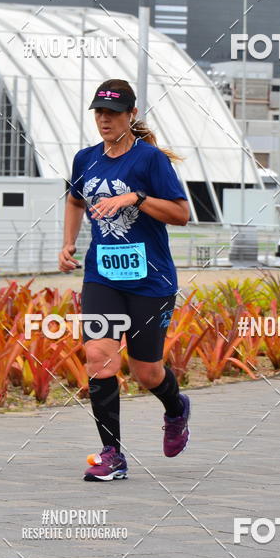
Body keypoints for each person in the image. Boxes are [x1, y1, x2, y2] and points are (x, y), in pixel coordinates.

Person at [59, 78, 191, 481]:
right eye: (99, 112)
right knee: (99, 358)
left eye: (113, 113)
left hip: (150, 281)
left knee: (146, 371)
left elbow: (181, 214)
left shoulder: (150, 160)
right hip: (103, 277)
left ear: (131, 115)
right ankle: (112, 455)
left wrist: (136, 198)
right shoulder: (85, 159)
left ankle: (176, 409)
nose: (105, 119)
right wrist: (68, 243)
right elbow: (74, 200)